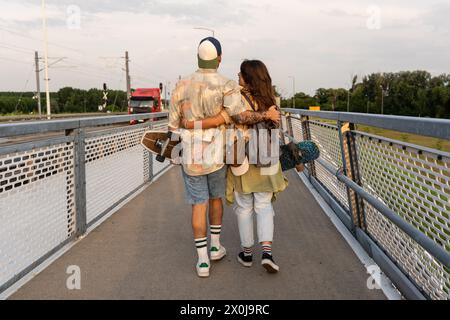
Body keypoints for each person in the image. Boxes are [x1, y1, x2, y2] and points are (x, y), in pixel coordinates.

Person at [169, 38, 280, 278]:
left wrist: (188, 129)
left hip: (190, 156)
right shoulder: (227, 84)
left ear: (197, 57)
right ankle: (216, 247)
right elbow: (239, 116)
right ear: (219, 58)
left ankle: (202, 262)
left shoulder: (180, 85)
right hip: (218, 155)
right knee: (217, 198)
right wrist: (222, 119)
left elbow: (172, 126)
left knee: (198, 204)